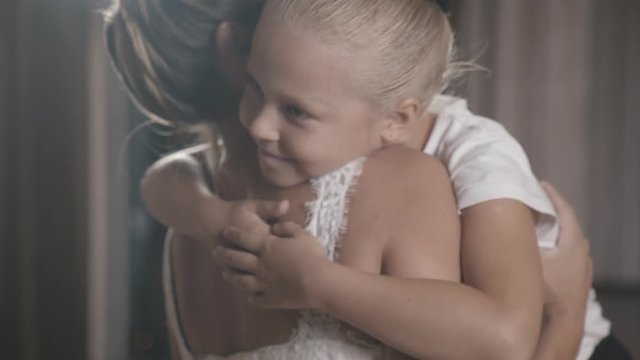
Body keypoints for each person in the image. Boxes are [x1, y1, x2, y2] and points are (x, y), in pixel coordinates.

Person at [105, 0, 629, 359]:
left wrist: (566, 309)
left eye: (296, 111)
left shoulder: (470, 149)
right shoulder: (296, 146)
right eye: (258, 90)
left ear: (396, 120)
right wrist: (213, 215)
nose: (261, 125)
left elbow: (506, 339)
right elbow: (167, 178)